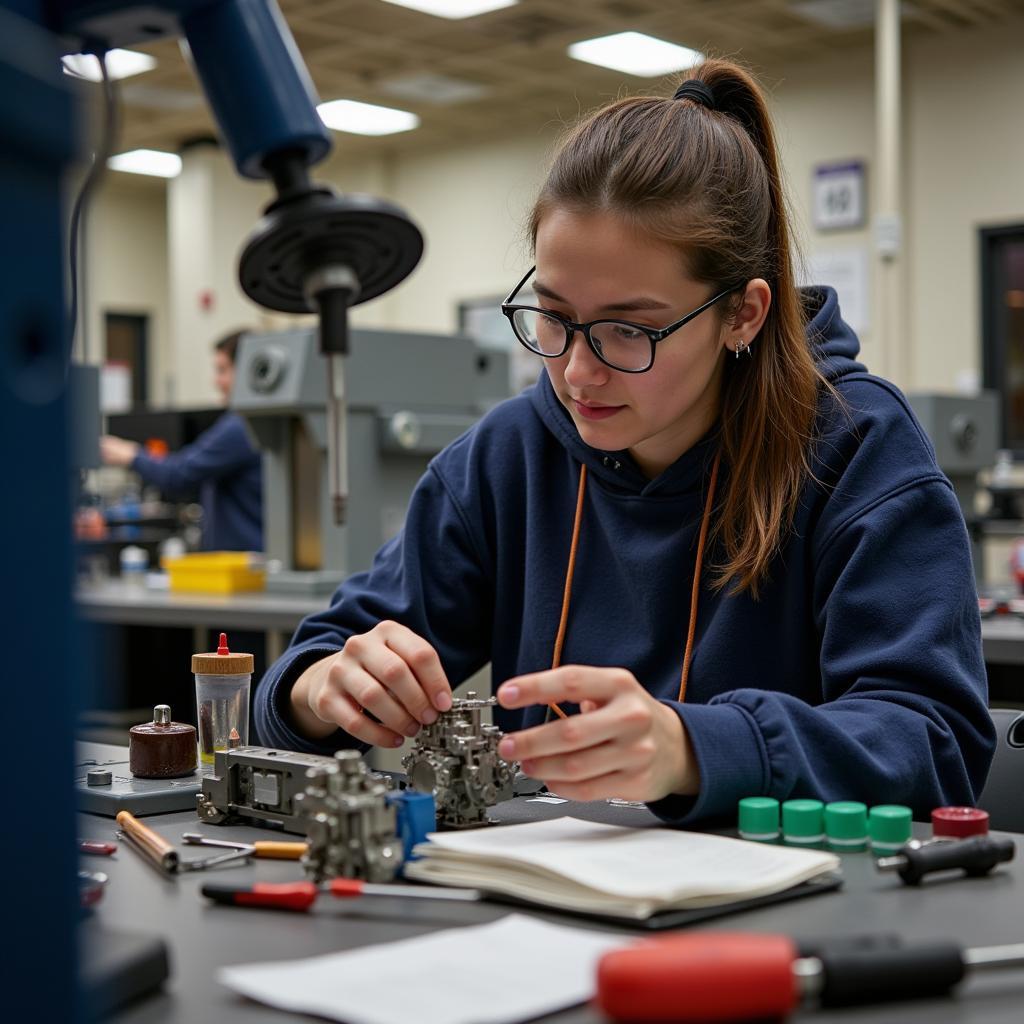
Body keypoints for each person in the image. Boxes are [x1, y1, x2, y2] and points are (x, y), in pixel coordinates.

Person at [253, 60, 994, 823]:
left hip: (794, 916)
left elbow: (935, 744)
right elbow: (307, 672)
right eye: (553, 314)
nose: (577, 372)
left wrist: (693, 747)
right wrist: (322, 688)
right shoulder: (508, 457)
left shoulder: (856, 449)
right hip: (543, 911)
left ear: (743, 314)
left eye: (628, 330)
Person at [101, 330, 263, 552]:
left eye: (222, 370)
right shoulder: (260, 421)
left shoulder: (242, 425)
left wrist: (129, 454)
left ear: (246, 371)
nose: (216, 381)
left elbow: (178, 474)